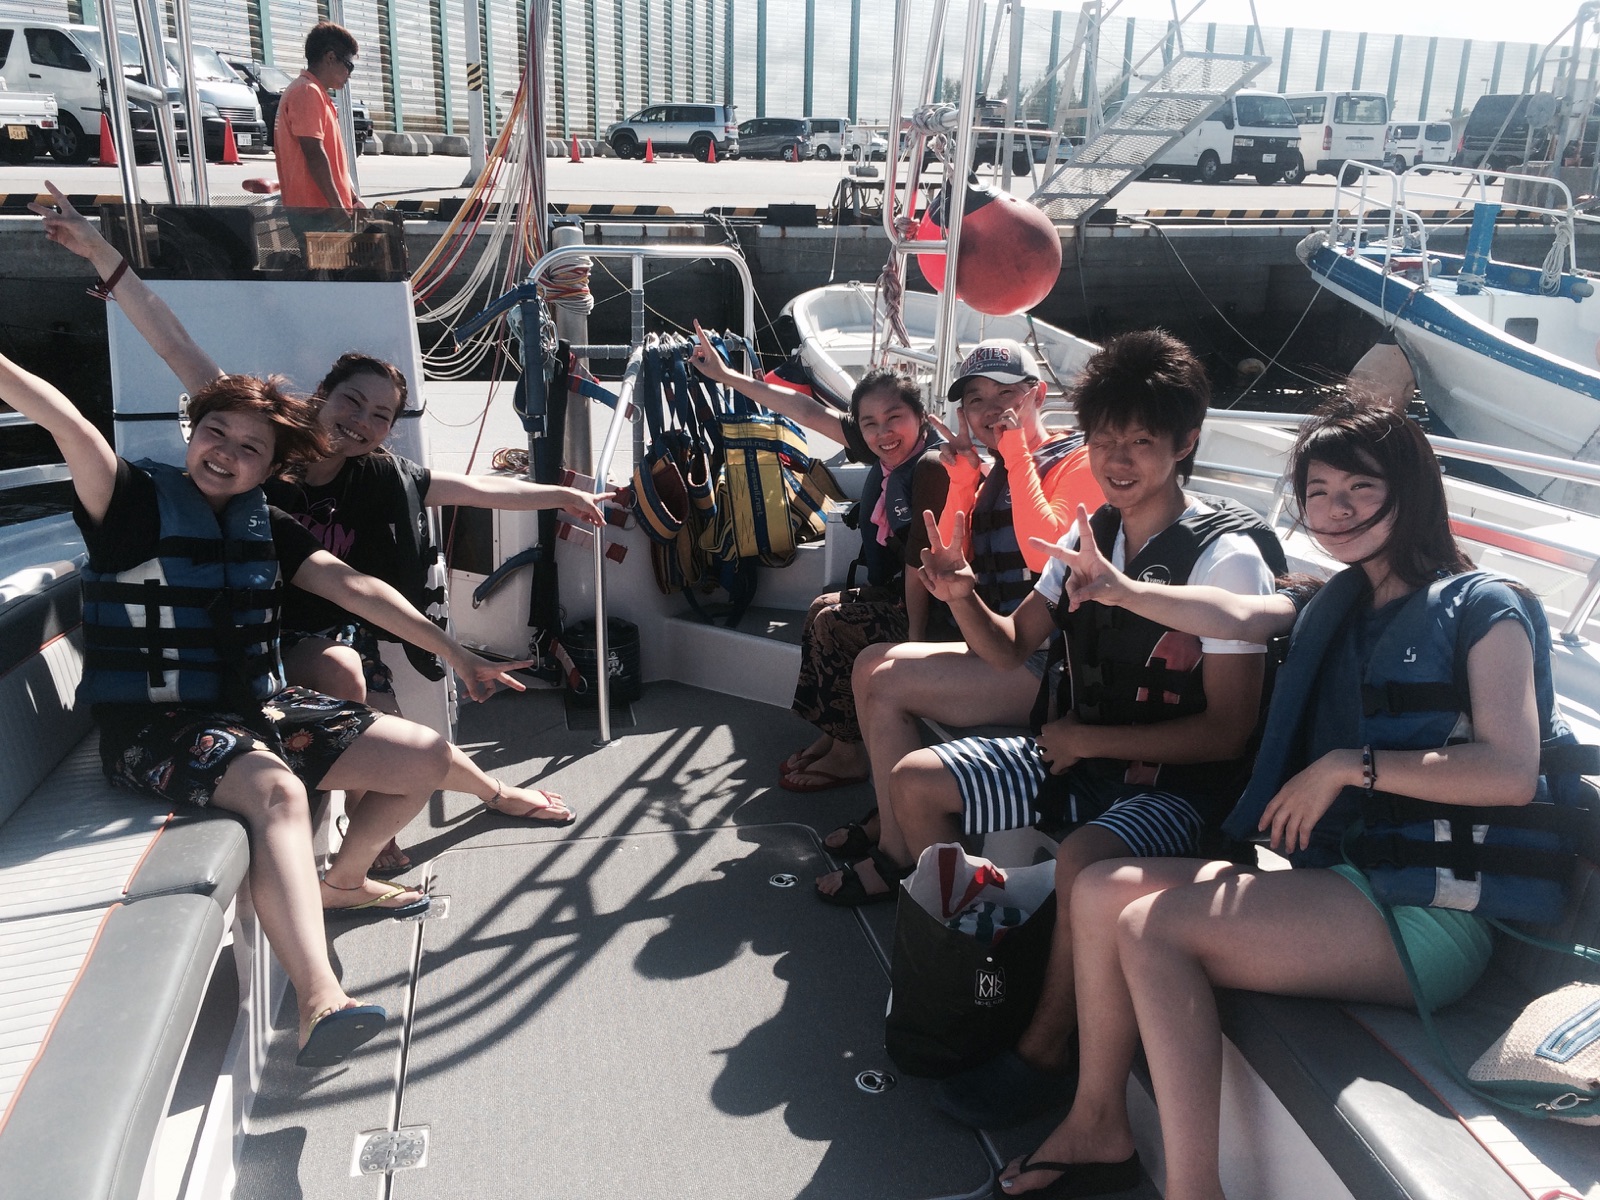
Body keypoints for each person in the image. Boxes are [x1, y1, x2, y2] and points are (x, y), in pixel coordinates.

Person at [992, 396, 1575, 1200]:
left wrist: (1344, 766)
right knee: (1097, 889)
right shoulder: (1341, 601)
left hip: (1429, 915)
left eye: (1360, 490)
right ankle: (1098, 1122)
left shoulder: (1486, 607)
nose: (1335, 511)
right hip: (1350, 883)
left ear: (1410, 491)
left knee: (1152, 930)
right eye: (1319, 492)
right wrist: (1120, 590)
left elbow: (1509, 770)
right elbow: (1237, 612)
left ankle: (1193, 1190)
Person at [34, 185, 611, 873]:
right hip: (233, 639)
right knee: (346, 677)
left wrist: (563, 495)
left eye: (379, 416)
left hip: (311, 641)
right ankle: (406, 814)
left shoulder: (378, 477)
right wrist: (100, 253)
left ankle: (469, 797)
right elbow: (171, 339)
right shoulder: (260, 448)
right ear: (322, 398)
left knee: (362, 686)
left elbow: (473, 490)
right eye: (351, 402)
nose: (361, 422)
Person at [0, 354, 531, 1069]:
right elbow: (62, 418)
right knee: (278, 791)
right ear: (192, 432)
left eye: (251, 447)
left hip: (258, 708)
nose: (226, 453)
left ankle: (344, 883)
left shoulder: (268, 525)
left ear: (271, 467)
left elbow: (356, 589)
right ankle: (321, 1001)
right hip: (153, 727)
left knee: (426, 758)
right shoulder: (127, 503)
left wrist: (459, 655)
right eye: (215, 432)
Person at [819, 330, 1280, 914]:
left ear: (1185, 441)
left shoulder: (1226, 559)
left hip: (1164, 783)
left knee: (1081, 858)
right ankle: (965, 931)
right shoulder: (1089, 540)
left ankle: (1011, 951)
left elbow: (1229, 732)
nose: (1117, 460)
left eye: (1141, 440)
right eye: (1104, 439)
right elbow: (1010, 645)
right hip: (1074, 756)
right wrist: (961, 596)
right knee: (913, 779)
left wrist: (1085, 739)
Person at [817, 338, 1102, 864]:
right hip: (1003, 644)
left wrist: (1014, 455)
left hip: (1055, 670)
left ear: (1038, 394)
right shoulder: (997, 469)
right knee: (869, 663)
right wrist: (965, 480)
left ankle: (895, 854)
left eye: (1006, 393)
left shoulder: (1078, 462)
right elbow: (949, 559)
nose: (991, 410)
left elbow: (1043, 554)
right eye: (975, 400)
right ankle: (892, 826)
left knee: (889, 683)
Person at [688, 321, 949, 792]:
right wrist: (727, 377)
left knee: (836, 624)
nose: (883, 433)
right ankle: (834, 734)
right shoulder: (888, 452)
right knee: (821, 609)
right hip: (897, 594)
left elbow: (919, 567)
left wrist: (913, 643)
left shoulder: (930, 469)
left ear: (921, 416)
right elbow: (805, 409)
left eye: (894, 418)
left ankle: (850, 756)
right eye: (869, 424)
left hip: (934, 614)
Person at [275, 22, 362, 216]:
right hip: (318, 212)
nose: (349, 75)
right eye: (349, 66)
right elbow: (314, 153)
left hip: (324, 210)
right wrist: (337, 207)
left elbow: (330, 156)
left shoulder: (315, 93)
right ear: (330, 57)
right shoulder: (307, 92)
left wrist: (352, 199)